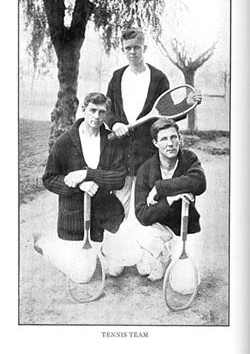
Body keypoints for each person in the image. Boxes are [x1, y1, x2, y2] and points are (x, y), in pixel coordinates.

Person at [102, 27, 202, 276]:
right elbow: (107, 110)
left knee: (148, 209)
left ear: (144, 48)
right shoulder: (116, 77)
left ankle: (151, 256)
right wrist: (115, 124)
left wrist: (188, 103)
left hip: (148, 158)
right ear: (123, 50)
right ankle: (122, 256)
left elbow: (169, 113)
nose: (132, 52)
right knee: (122, 208)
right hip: (121, 159)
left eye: (137, 47)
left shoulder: (158, 79)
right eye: (127, 48)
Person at [34, 92, 126, 276]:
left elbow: (119, 178)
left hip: (104, 217)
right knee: (83, 276)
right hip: (75, 217)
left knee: (116, 270)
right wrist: (78, 186)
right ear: (83, 109)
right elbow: (49, 178)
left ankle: (98, 253)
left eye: (102, 112)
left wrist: (88, 174)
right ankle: (45, 243)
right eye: (92, 110)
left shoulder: (111, 140)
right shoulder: (65, 141)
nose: (96, 117)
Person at [134, 118, 206, 280]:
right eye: (164, 139)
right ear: (155, 143)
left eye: (174, 137)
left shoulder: (189, 158)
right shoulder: (145, 169)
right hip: (160, 228)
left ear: (180, 139)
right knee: (142, 242)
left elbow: (199, 182)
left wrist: (160, 188)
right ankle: (162, 256)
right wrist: (170, 198)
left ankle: (174, 256)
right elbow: (142, 214)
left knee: (184, 286)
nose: (170, 143)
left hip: (185, 228)